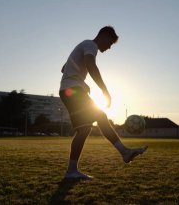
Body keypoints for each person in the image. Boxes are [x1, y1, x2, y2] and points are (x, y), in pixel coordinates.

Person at [59, 26, 148, 179]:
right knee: (99, 117)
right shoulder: (90, 45)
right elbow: (91, 65)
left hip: (69, 90)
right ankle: (124, 152)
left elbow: (63, 68)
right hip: (73, 90)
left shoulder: (84, 45)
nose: (109, 48)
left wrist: (80, 80)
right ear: (104, 36)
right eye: (110, 44)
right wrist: (104, 90)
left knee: (87, 127)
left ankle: (72, 170)